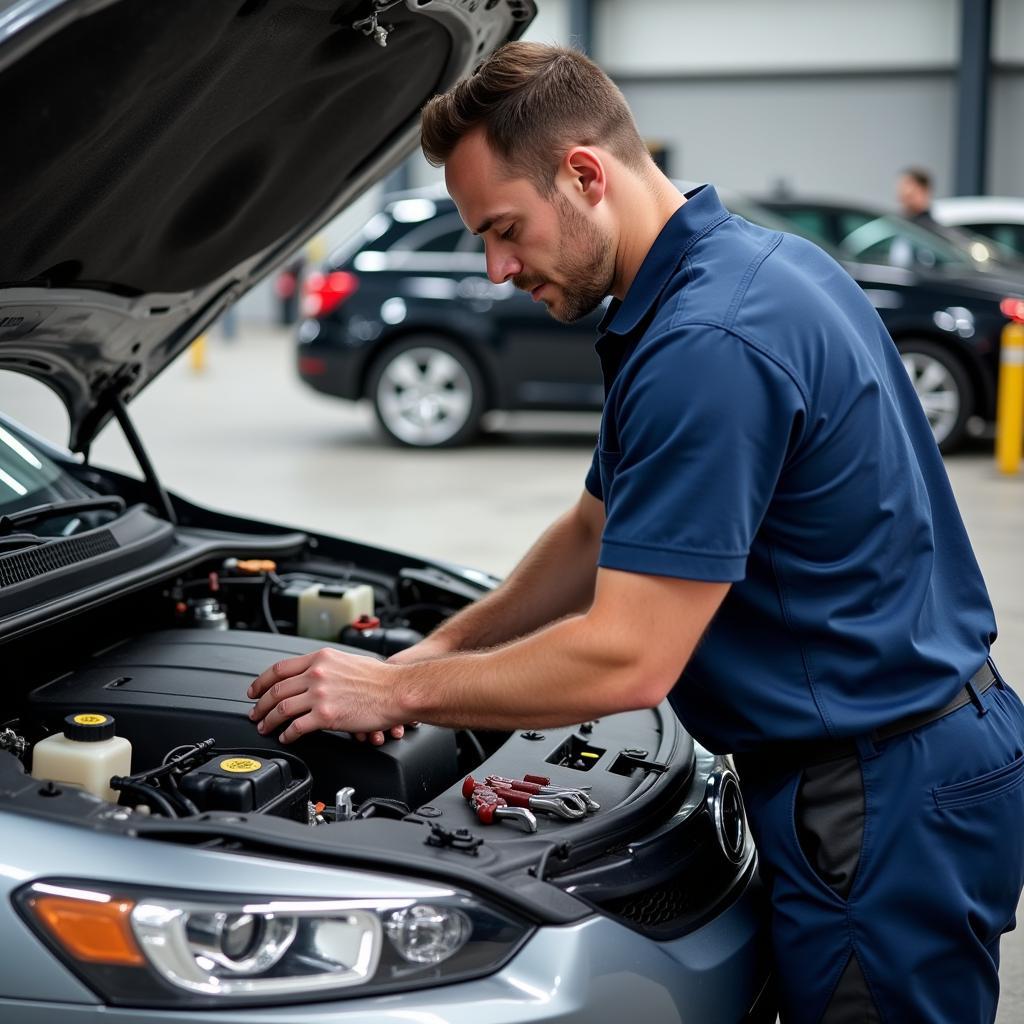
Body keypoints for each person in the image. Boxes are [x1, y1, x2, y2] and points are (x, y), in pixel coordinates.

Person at [249, 44, 1024, 1023]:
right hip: (892, 761)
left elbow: (626, 661)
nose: (494, 270)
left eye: (503, 230)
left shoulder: (706, 344)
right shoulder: (739, 269)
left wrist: (395, 690)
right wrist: (436, 650)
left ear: (583, 174)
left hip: (876, 798)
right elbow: (592, 530)